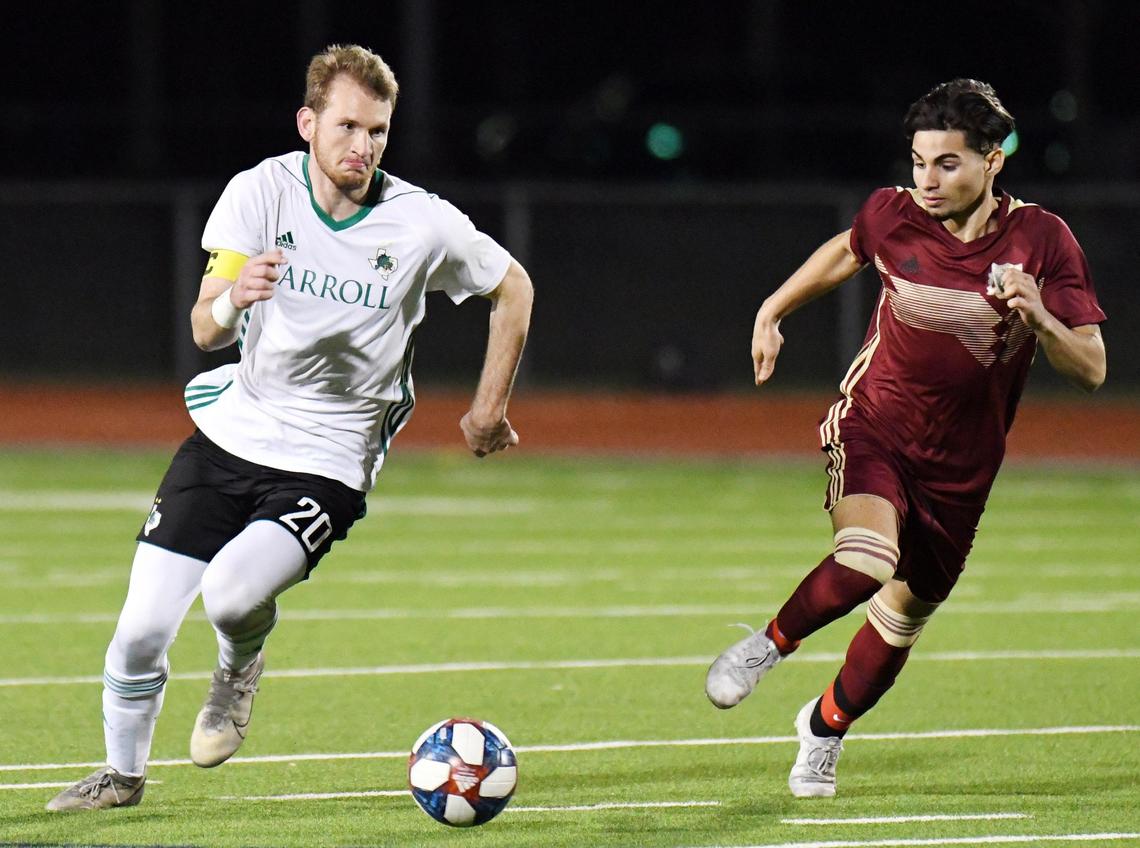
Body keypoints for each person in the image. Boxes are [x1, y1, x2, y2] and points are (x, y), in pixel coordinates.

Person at [47, 44, 533, 811]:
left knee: (234, 596)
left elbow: (514, 286)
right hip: (231, 434)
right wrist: (235, 295)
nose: (362, 146)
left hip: (329, 461)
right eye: (346, 126)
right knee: (139, 630)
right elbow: (206, 329)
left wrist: (488, 409)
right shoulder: (259, 192)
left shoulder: (421, 223)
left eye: (377, 131)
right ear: (308, 123)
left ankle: (238, 666)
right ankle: (122, 776)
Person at [704, 78, 1106, 798]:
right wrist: (773, 308)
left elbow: (1093, 370)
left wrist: (1042, 318)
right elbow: (848, 249)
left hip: (963, 468)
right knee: (865, 559)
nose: (926, 179)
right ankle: (768, 644)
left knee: (899, 623)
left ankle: (823, 730)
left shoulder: (1044, 240)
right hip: (875, 425)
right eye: (918, 161)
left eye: (947, 163)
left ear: (993, 162)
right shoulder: (892, 215)